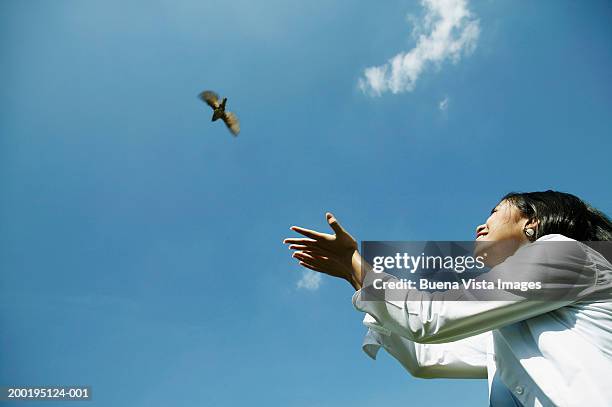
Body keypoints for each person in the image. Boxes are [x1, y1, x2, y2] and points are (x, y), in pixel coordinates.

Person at [283, 191, 612, 406]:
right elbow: (424, 358)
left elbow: (429, 318)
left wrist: (358, 262)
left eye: (495, 212)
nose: (480, 225)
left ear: (532, 221)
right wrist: (354, 275)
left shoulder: (564, 252)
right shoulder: (505, 325)